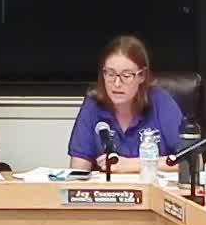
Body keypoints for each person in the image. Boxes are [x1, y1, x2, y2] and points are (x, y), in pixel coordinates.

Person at [67, 35, 184, 173]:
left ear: (142, 76)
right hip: (108, 186)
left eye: (126, 75)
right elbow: (78, 170)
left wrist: (131, 165)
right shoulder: (93, 105)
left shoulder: (160, 101)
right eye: (110, 74)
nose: (117, 84)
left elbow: (192, 161)